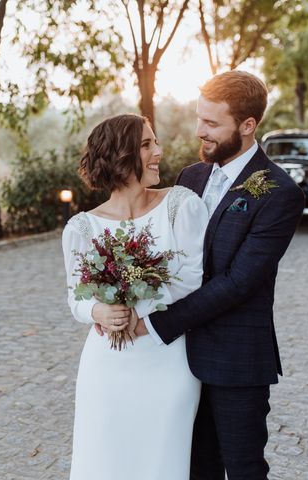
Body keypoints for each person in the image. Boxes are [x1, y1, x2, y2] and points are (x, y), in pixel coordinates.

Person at [132, 71, 305, 479]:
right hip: (177, 362)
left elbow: (239, 283)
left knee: (244, 468)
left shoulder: (280, 193)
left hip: (236, 360)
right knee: (194, 467)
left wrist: (155, 324)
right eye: (198, 119)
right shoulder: (189, 178)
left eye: (211, 123)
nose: (199, 132)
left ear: (248, 126)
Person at [61, 113, 209, 480]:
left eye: (155, 142)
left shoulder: (181, 205)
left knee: (164, 459)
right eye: (146, 145)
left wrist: (140, 303)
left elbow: (194, 279)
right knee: (105, 460)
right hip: (107, 362)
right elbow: (75, 298)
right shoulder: (82, 227)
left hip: (168, 358)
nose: (158, 151)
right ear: (118, 155)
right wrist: (99, 310)